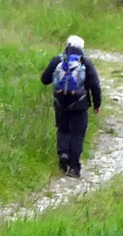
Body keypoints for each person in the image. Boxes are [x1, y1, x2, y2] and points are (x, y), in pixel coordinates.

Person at [40, 34, 101, 179]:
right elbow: (95, 85)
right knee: (77, 135)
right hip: (80, 105)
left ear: (67, 45)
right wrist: (97, 104)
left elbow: (44, 79)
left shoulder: (57, 60)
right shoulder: (86, 62)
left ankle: (63, 155)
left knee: (63, 130)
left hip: (61, 104)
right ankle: (74, 168)